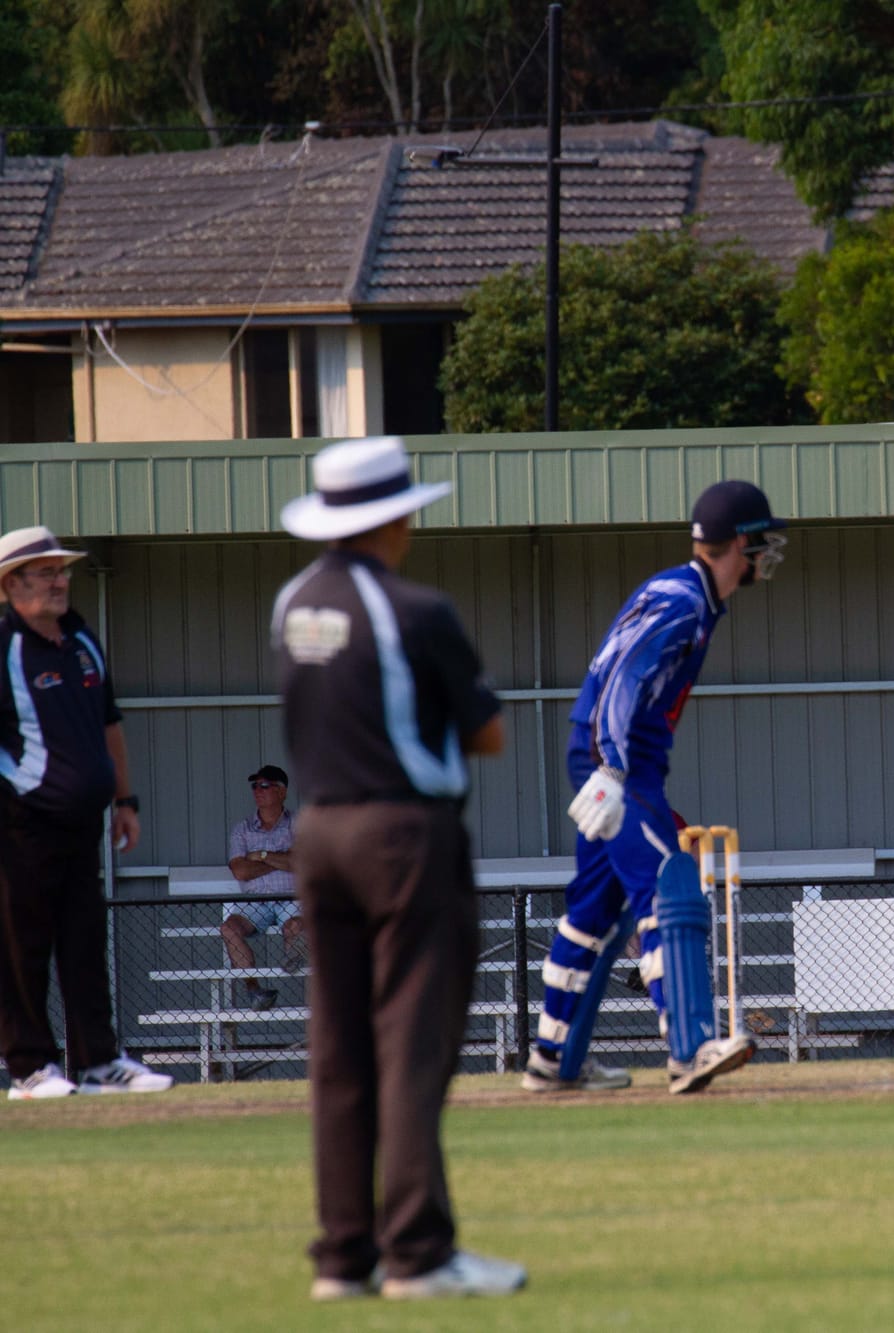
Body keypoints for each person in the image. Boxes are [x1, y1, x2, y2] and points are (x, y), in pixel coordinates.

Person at [274, 437, 524, 1300]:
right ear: (396, 515)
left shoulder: (292, 603)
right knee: (412, 1043)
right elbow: (488, 733)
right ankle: (417, 1250)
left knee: (338, 1048)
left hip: (318, 829)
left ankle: (344, 1255)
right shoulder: (417, 610)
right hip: (404, 836)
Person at [525, 480, 787, 1096]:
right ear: (735, 544)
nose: (766, 552)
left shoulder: (683, 590)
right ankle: (690, 1049)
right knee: (670, 878)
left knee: (594, 914)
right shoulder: (684, 604)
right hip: (616, 759)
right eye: (758, 542)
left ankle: (552, 1061)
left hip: (605, 753)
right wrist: (611, 771)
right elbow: (622, 681)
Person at [0, 525, 174, 1101]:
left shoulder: (80, 639)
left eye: (62, 570)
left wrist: (125, 800)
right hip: (19, 827)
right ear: (10, 582)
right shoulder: (4, 644)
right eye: (45, 571)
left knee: (83, 944)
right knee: (21, 948)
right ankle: (29, 1069)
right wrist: (20, 790)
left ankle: (99, 1064)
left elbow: (109, 724)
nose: (59, 580)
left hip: (83, 824)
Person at [221, 764, 304, 1012]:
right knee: (228, 928)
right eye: (255, 786)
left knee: (297, 926)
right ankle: (255, 991)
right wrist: (282, 859)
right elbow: (240, 870)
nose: (258, 790)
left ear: (282, 792)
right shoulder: (242, 829)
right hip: (254, 900)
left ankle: (294, 959)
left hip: (291, 898)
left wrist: (262, 855)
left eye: (265, 785)